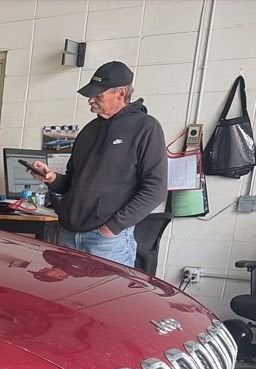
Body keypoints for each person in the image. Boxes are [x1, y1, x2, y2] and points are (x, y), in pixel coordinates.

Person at [30, 61, 167, 267]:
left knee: (106, 299)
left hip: (107, 242)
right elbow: (73, 184)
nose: (90, 100)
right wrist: (52, 178)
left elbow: (155, 190)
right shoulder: (88, 130)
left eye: (98, 94)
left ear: (121, 93)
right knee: (64, 298)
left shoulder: (146, 128)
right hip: (67, 235)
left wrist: (111, 228)